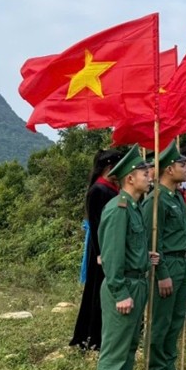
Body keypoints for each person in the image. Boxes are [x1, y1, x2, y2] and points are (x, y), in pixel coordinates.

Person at [95, 145, 158, 370]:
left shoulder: (133, 207)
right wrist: (120, 292)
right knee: (115, 347)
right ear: (130, 178)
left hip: (137, 282)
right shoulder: (118, 209)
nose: (149, 175)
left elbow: (128, 248)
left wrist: (146, 257)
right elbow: (109, 256)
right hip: (123, 287)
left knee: (130, 343)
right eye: (144, 171)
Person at [143, 143, 186, 370]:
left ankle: (169, 365)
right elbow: (153, 240)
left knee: (176, 318)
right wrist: (161, 272)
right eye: (182, 165)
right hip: (167, 263)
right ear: (169, 170)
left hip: (182, 262)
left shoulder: (176, 197)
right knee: (161, 319)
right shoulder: (156, 201)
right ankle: (156, 369)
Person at [71, 148, 124, 351]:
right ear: (110, 168)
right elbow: (96, 225)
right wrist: (101, 253)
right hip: (101, 250)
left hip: (107, 248)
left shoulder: (109, 188)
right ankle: (92, 337)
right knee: (97, 293)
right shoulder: (99, 190)